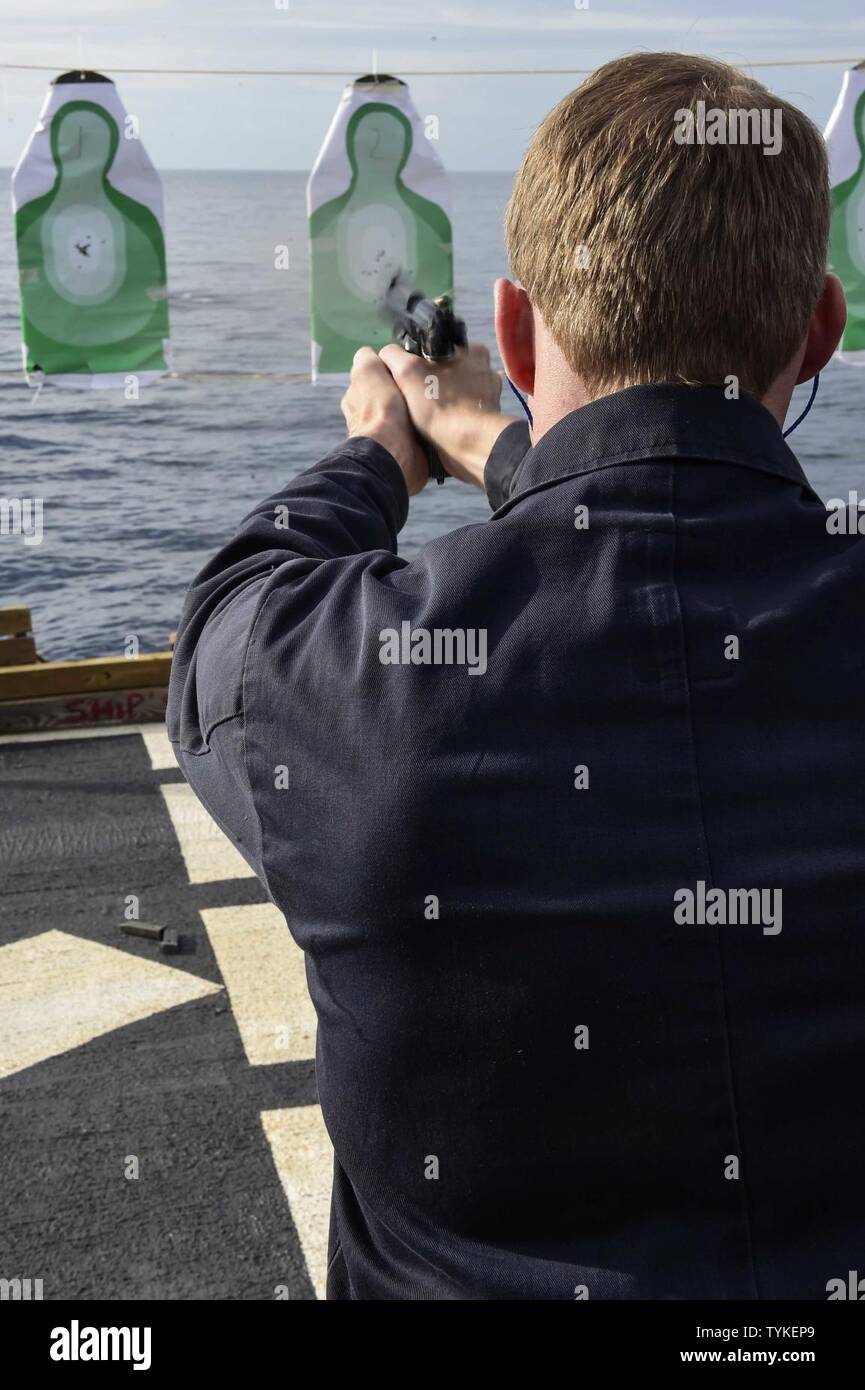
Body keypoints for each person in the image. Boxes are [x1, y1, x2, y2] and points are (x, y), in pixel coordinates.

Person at [167, 52, 864, 1300]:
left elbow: (223, 620)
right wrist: (507, 452)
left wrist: (379, 454)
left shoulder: (332, 687)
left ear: (508, 323)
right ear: (820, 325)